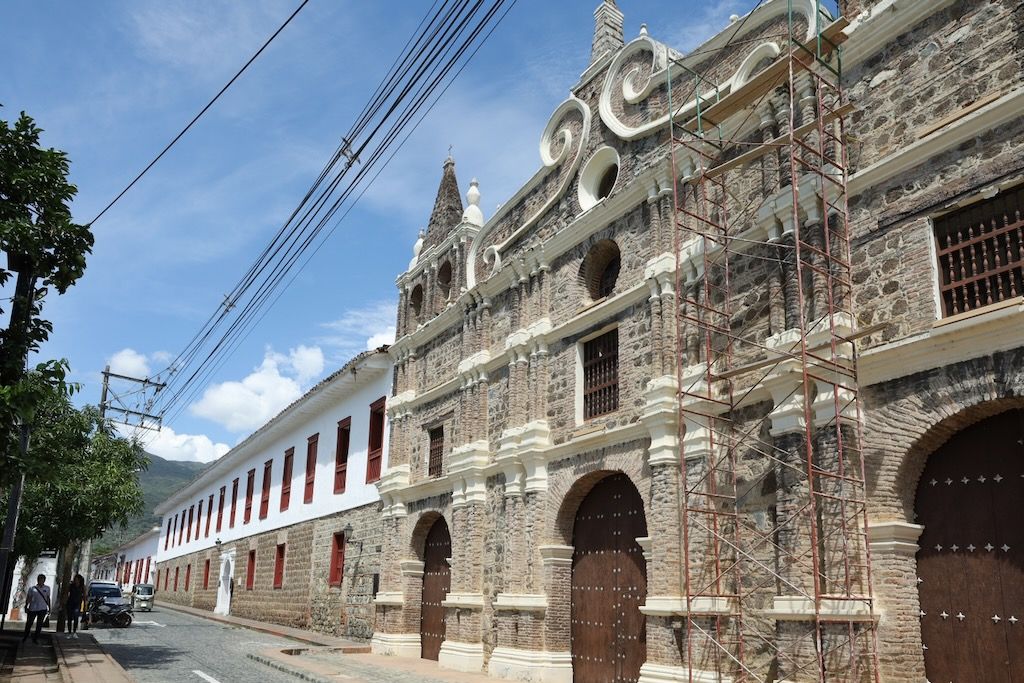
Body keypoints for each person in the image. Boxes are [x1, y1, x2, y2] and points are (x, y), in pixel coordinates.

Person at [23, 574, 51, 644]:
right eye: (39, 579)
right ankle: (25, 636)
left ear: (44, 580)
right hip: (33, 608)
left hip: (42, 608)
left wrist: (49, 607)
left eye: (42, 580)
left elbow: (48, 598)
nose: (40, 581)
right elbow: (28, 598)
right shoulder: (32, 588)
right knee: (29, 623)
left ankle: (35, 638)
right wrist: (26, 606)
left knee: (39, 625)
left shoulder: (47, 588)